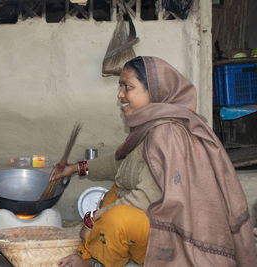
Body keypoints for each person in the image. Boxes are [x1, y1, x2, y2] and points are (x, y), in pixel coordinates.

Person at [49, 56, 257, 267]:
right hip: (156, 218)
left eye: (127, 87)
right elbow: (122, 164)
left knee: (116, 220)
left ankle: (93, 263)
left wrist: (95, 220)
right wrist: (76, 168)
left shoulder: (166, 133)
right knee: (115, 191)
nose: (120, 94)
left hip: (176, 233)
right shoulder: (150, 126)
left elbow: (150, 196)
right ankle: (89, 255)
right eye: (120, 87)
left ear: (154, 92)